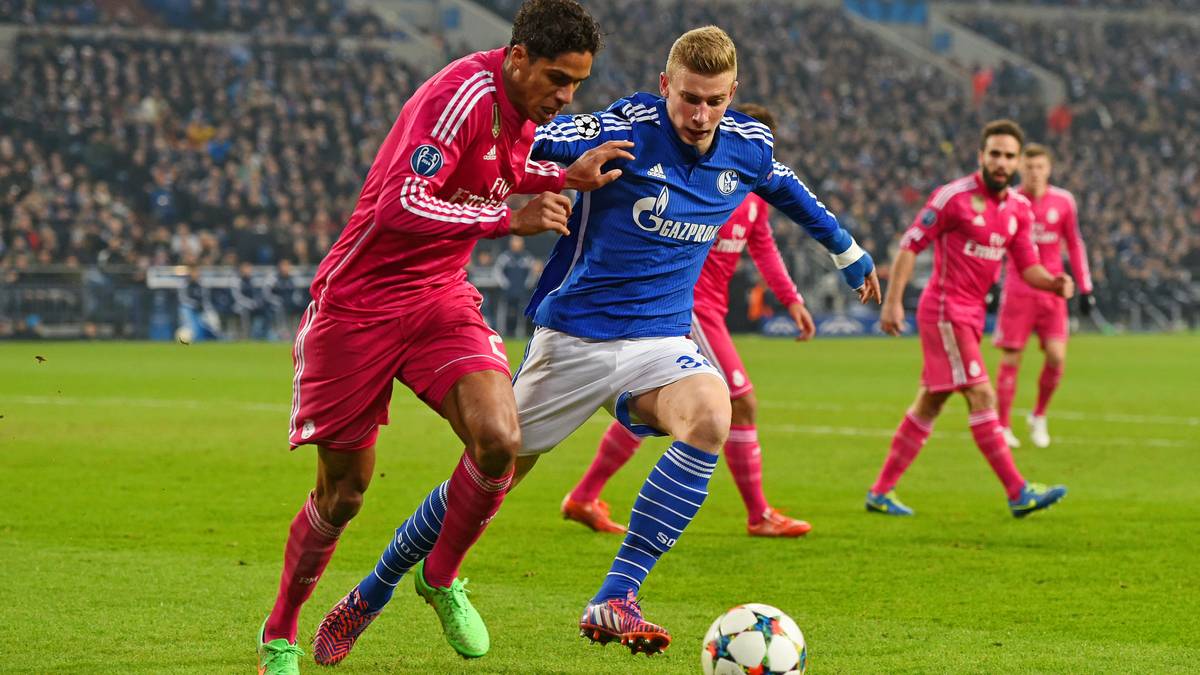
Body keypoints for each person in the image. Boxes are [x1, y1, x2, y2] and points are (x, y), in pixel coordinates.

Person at [317, 25, 879, 661]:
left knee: (712, 414)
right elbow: (528, 135)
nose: (700, 115)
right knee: (489, 471)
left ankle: (617, 595)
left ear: (732, 94)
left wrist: (847, 249)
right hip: (574, 339)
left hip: (660, 341)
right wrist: (489, 161)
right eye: (689, 98)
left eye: (715, 100)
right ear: (666, 86)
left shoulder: (746, 147)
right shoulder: (623, 129)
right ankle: (374, 589)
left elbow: (784, 185)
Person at [255, 1, 626, 671]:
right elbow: (401, 200)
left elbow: (496, 170)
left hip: (438, 298)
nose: (565, 97)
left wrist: (561, 174)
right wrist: (506, 221)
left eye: (577, 83)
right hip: (358, 307)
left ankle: (440, 574)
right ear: (517, 58)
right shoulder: (462, 96)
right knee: (343, 493)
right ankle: (280, 631)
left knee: (499, 441)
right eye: (556, 79)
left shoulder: (521, 110)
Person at [559, 102, 818, 539]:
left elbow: (765, 248)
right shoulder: (705, 186)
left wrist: (791, 299)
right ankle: (759, 515)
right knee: (742, 402)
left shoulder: (753, 201)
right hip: (687, 308)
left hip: (712, 311)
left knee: (656, 413)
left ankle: (584, 495)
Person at [866, 119, 1072, 519]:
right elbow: (910, 245)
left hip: (972, 315)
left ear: (1015, 163)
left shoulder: (1018, 210)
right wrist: (892, 303)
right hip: (945, 310)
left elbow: (1028, 266)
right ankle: (1018, 492)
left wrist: (1053, 282)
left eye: (1009, 156)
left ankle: (880, 492)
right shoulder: (952, 198)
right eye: (994, 153)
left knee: (931, 402)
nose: (1001, 162)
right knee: (981, 394)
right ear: (981, 156)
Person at [993, 143, 1092, 448]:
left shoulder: (1063, 202)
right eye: (1030, 167)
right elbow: (996, 243)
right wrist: (990, 284)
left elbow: (1074, 243)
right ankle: (1004, 425)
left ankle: (1039, 415)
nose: (1035, 173)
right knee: (1012, 356)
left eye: (1040, 167)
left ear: (1049, 169)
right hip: (1018, 289)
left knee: (1056, 356)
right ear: (1021, 168)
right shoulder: (1010, 200)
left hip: (1052, 289)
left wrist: (1085, 287)